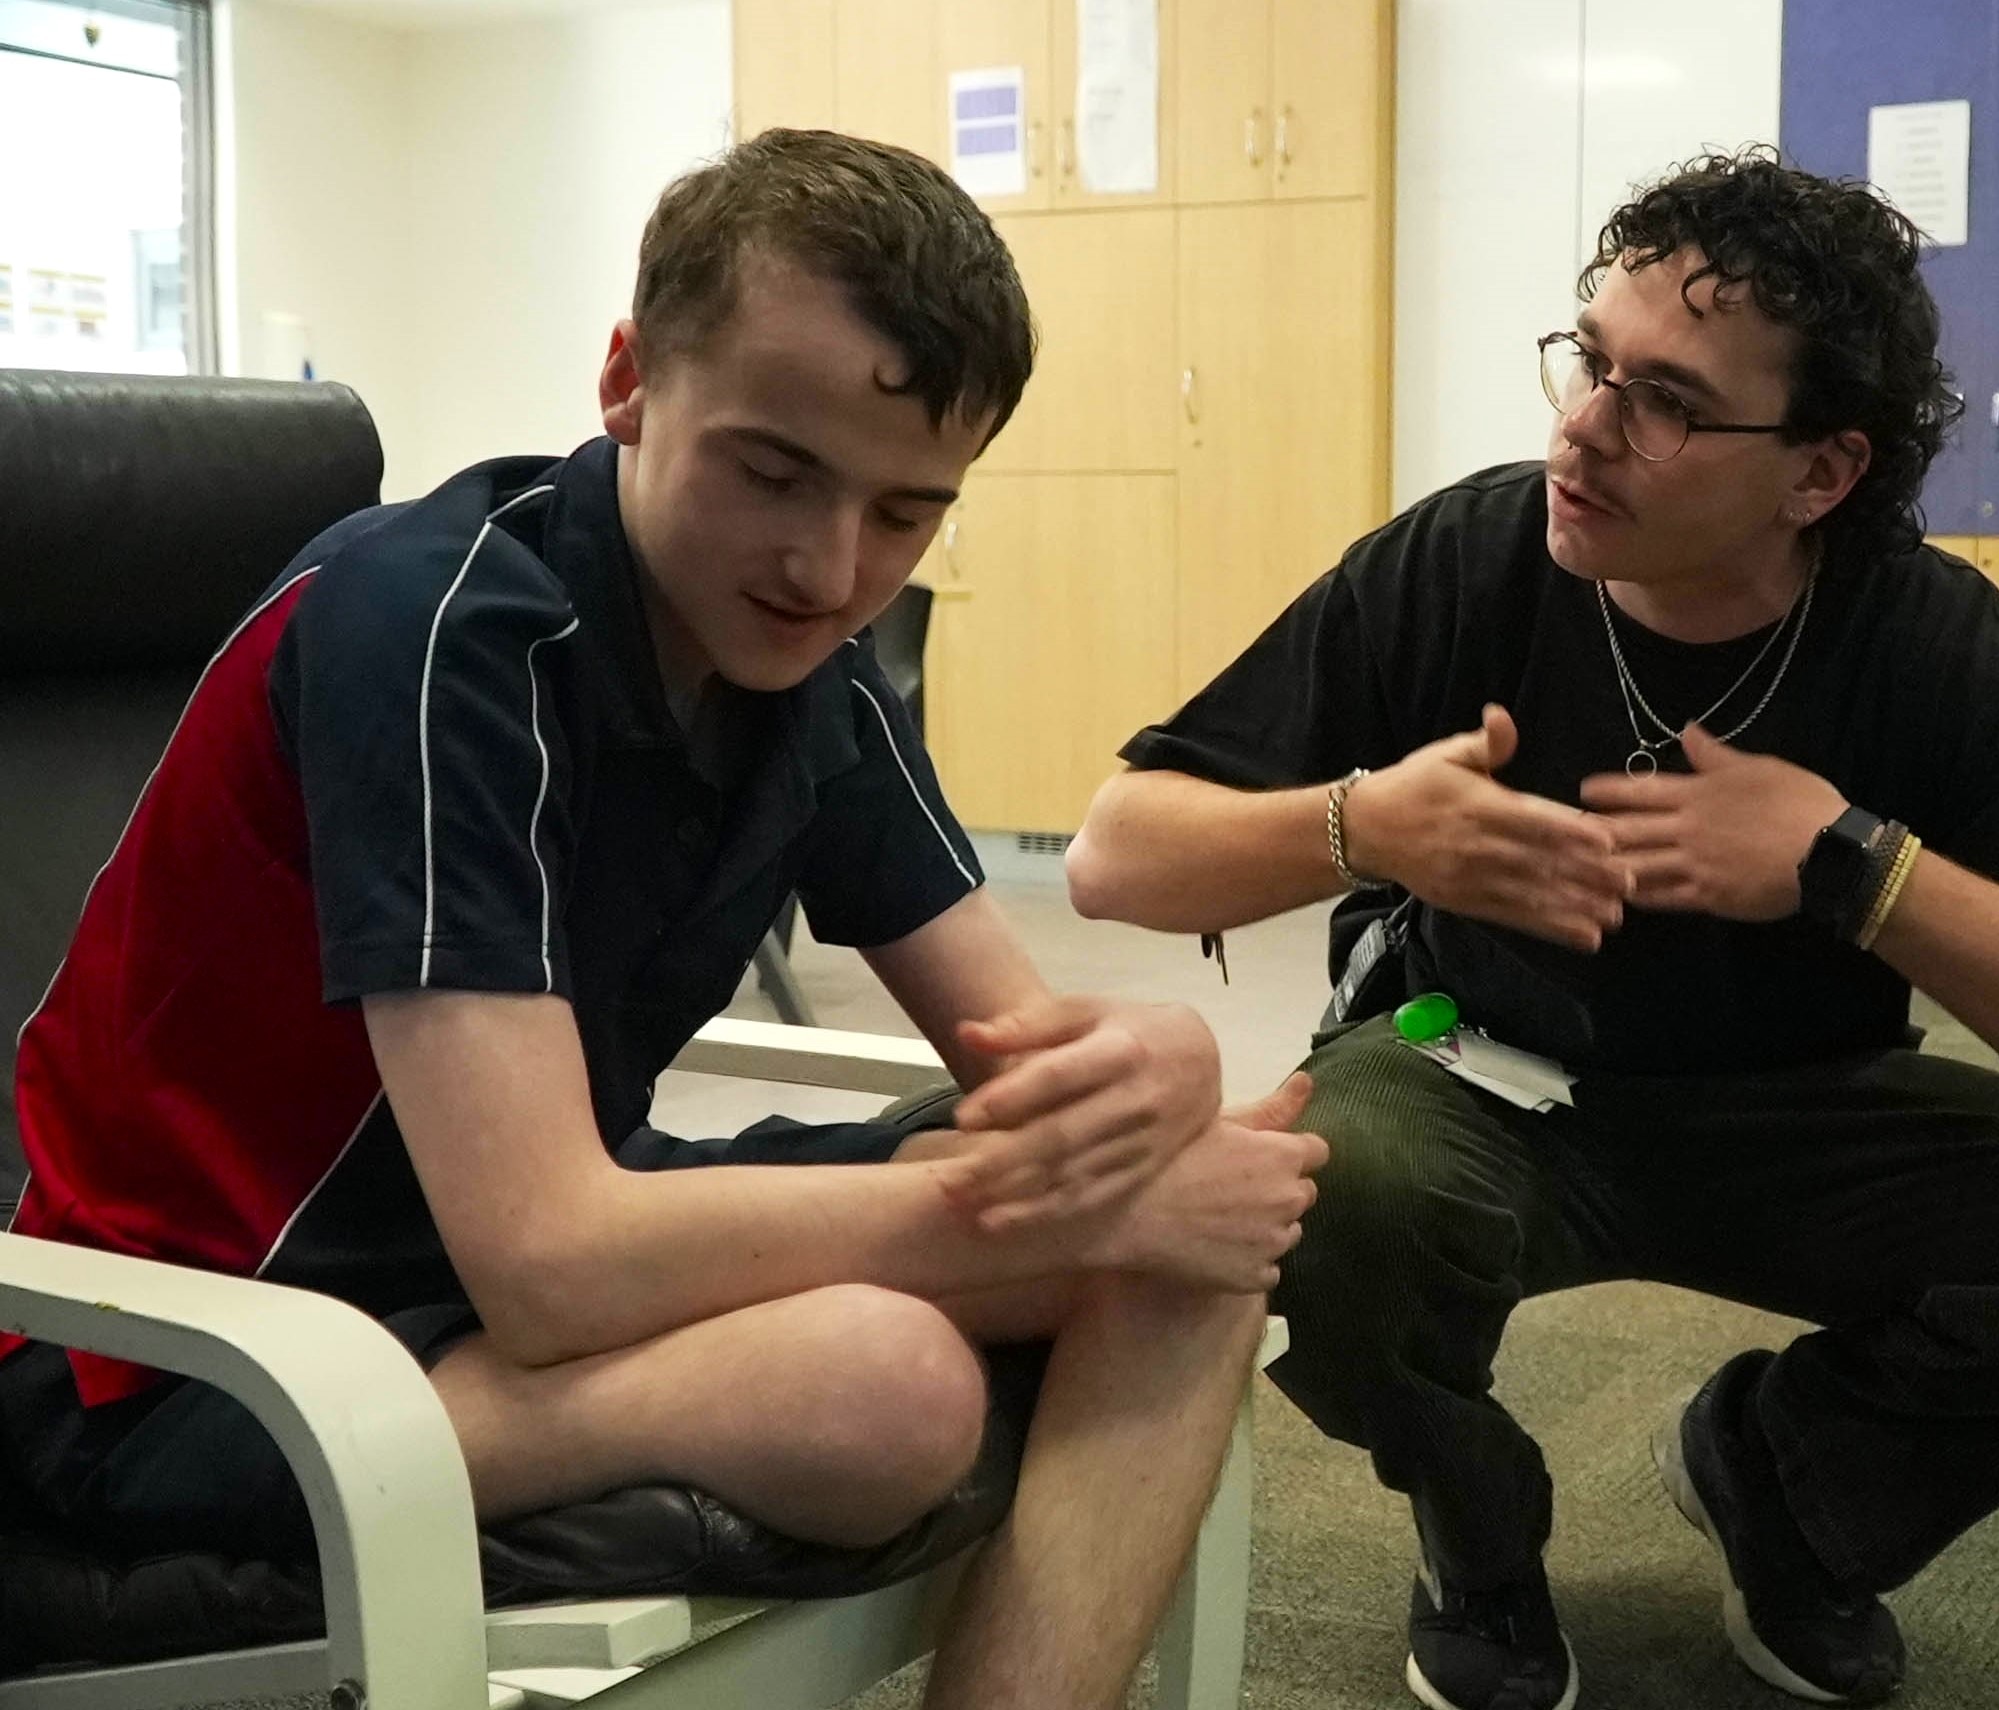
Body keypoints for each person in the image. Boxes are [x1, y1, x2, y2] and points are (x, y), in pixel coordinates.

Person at [0, 128, 1324, 1708]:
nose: (831, 568)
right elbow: (549, 1264)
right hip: (203, 1346)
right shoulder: (429, 633)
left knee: (1192, 1230)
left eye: (906, 515)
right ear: (628, 379)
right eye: (774, 472)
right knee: (885, 1392)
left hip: (526, 1260)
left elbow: (1029, 1063)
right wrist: (1069, 1210)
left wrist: (1155, 1072)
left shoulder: (810, 678)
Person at [1068, 150, 1999, 1710]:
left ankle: (1787, 1486)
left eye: (1668, 402)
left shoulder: (1926, 637)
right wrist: (1363, 825)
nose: (1583, 428)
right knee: (1320, 1195)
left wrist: (1857, 868)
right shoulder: (1470, 557)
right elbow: (1114, 856)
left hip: (1808, 1106)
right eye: (1590, 360)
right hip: (1473, 1060)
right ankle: (1478, 1525)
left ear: (1819, 473)